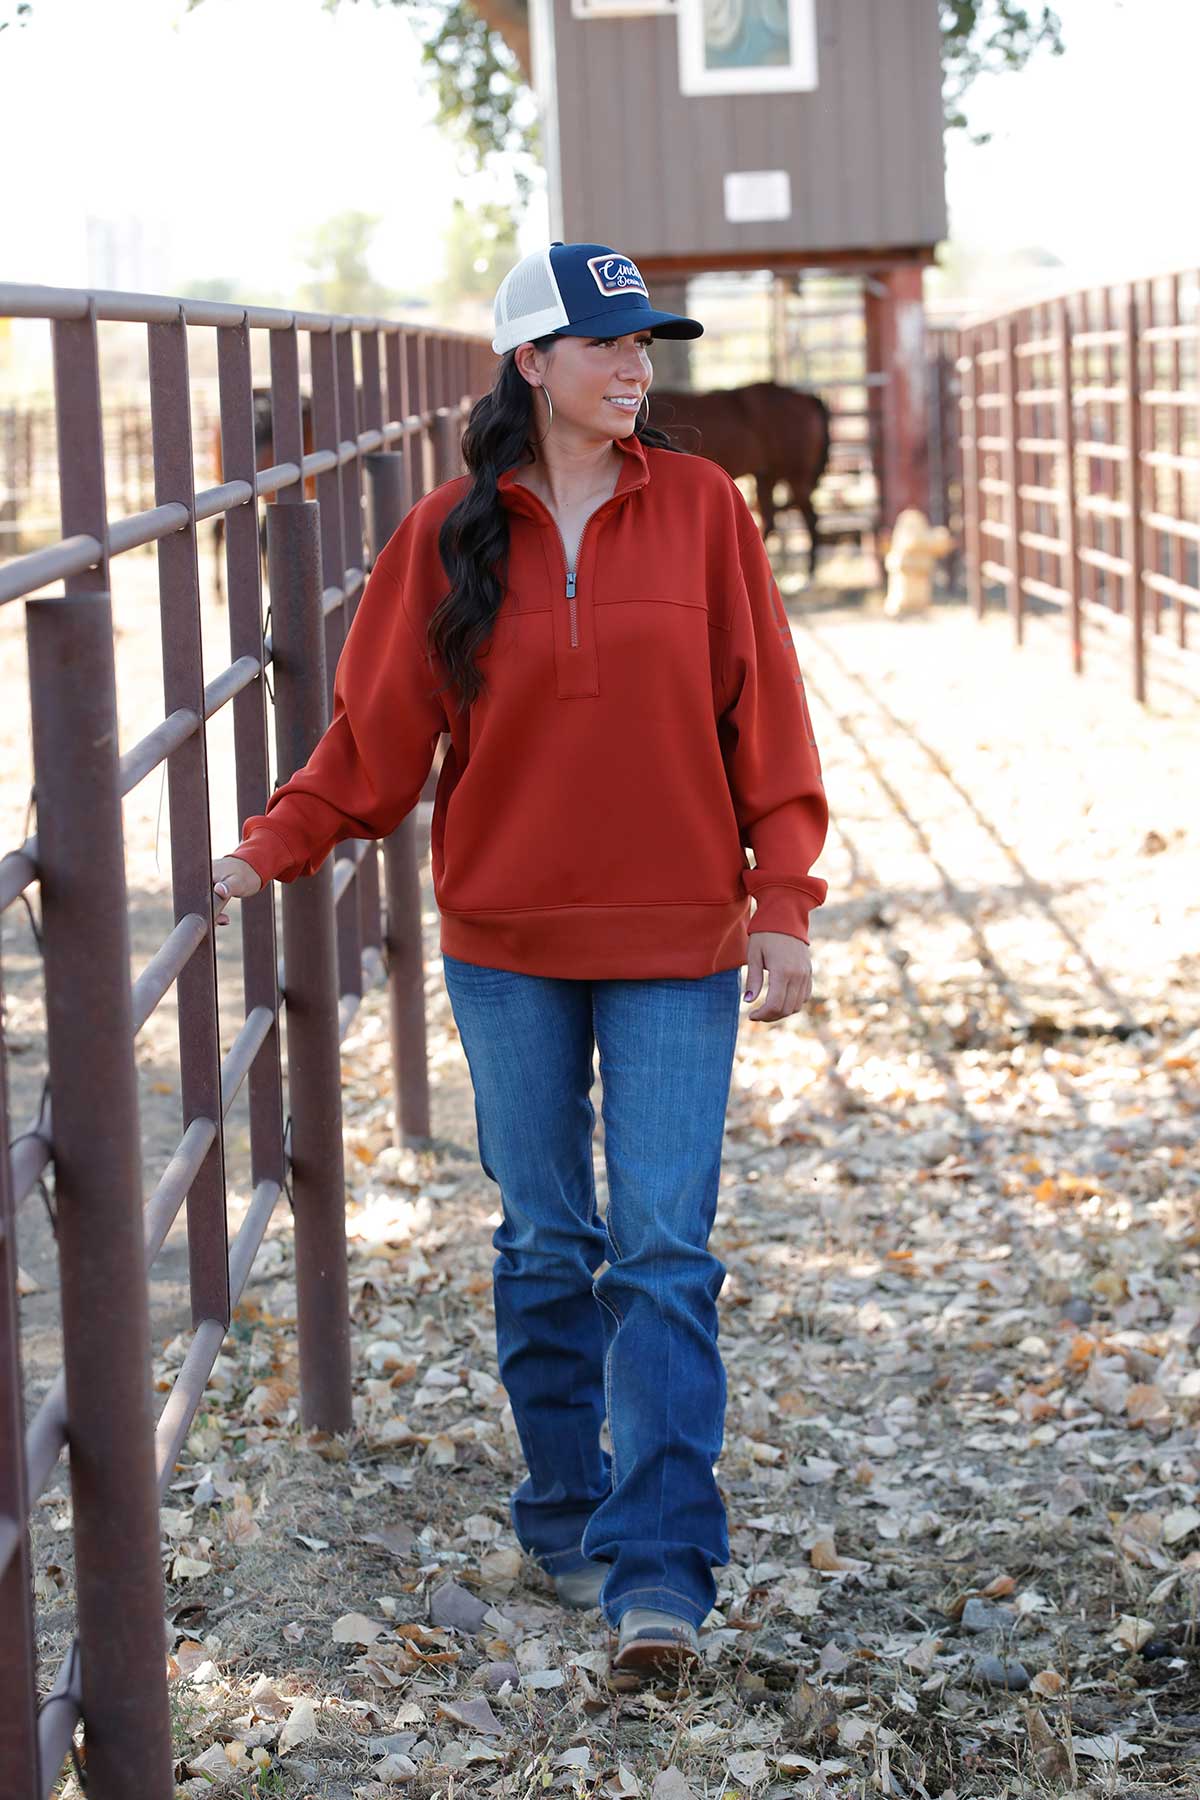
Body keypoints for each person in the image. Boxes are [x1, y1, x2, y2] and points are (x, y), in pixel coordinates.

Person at [212, 241, 829, 1681]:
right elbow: (373, 744)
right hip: (505, 944)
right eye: (608, 345)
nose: (639, 368)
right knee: (551, 1243)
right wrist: (272, 845)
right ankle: (564, 1507)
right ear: (531, 365)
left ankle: (662, 1571)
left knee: (665, 1252)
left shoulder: (704, 511)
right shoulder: (447, 535)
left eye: (648, 345)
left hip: (680, 938)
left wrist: (785, 898)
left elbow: (768, 714)